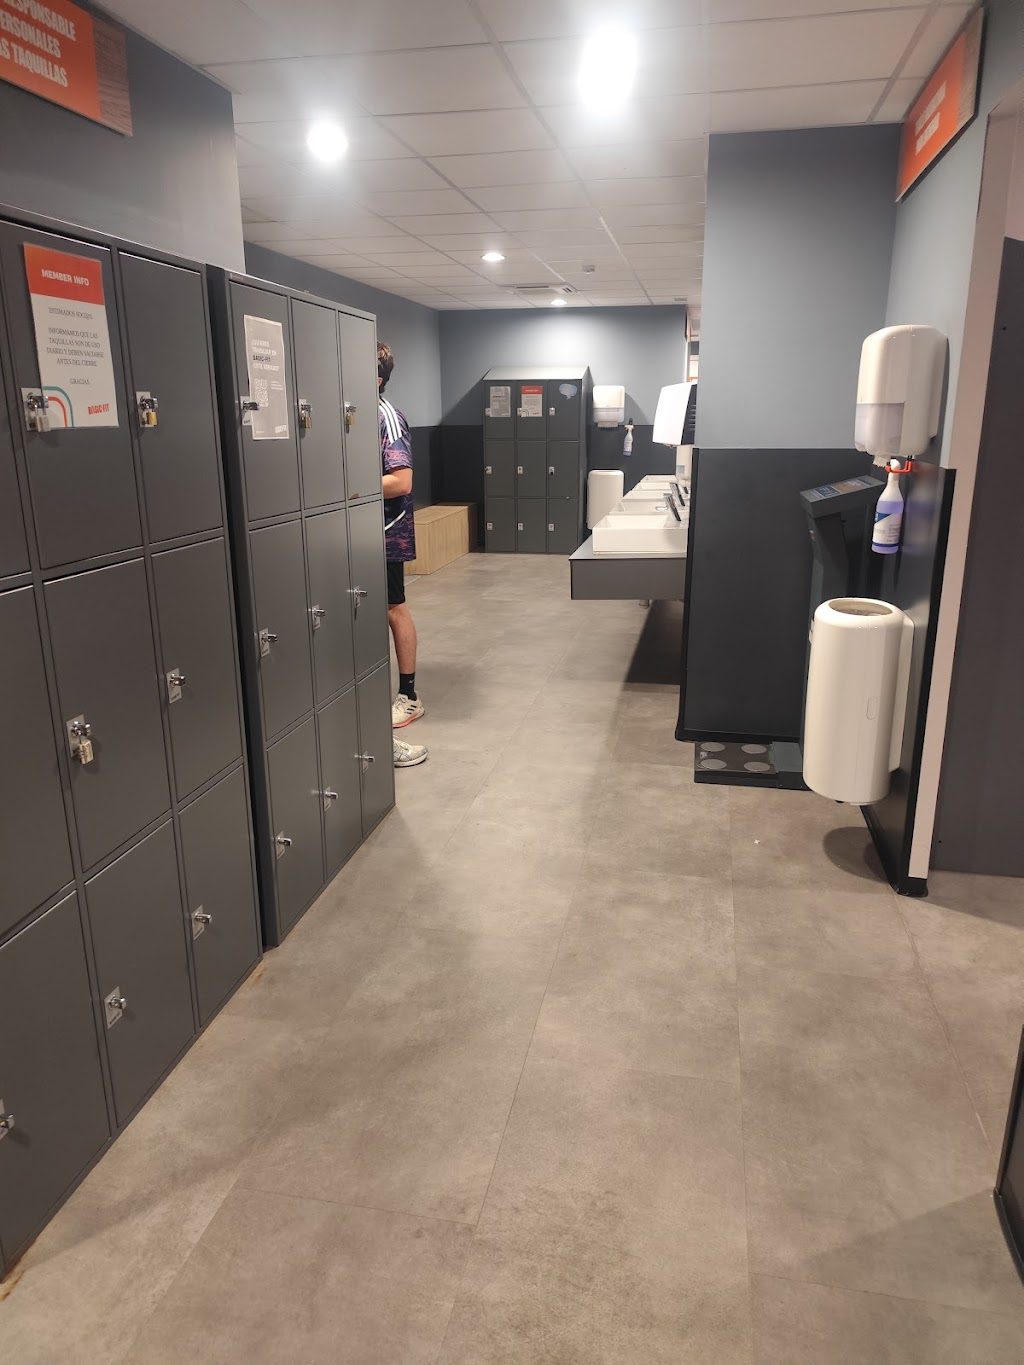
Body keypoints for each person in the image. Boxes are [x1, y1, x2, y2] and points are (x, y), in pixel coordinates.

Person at [378, 341, 428, 769]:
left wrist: (345, 485)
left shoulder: (387, 417)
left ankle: (409, 695)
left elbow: (401, 481)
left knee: (394, 608)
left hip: (384, 533)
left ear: (377, 377)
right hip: (354, 532)